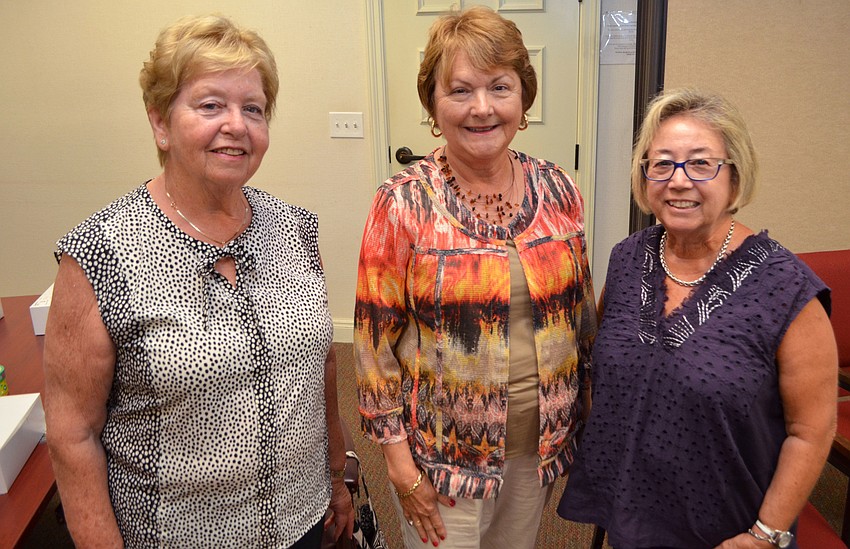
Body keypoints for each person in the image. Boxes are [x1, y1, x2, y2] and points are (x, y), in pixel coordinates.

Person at [42, 14, 353, 548]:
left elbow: (321, 369)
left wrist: (336, 477)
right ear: (160, 123)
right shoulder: (100, 253)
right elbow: (73, 433)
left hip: (302, 519)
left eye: (253, 109)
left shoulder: (295, 229)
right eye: (210, 105)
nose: (237, 125)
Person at [353, 6, 596, 548]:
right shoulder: (402, 203)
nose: (482, 107)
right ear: (433, 105)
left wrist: (585, 424)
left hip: (536, 449)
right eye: (460, 90)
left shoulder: (559, 189)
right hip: (440, 461)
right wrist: (400, 467)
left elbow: (582, 323)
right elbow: (371, 349)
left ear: (523, 99)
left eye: (499, 87)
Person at [558, 88, 838, 548]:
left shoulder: (785, 287)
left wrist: (765, 535)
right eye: (662, 163)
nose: (678, 180)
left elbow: (811, 431)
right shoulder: (627, 258)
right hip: (628, 513)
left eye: (701, 163)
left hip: (726, 527)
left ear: (735, 176)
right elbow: (602, 367)